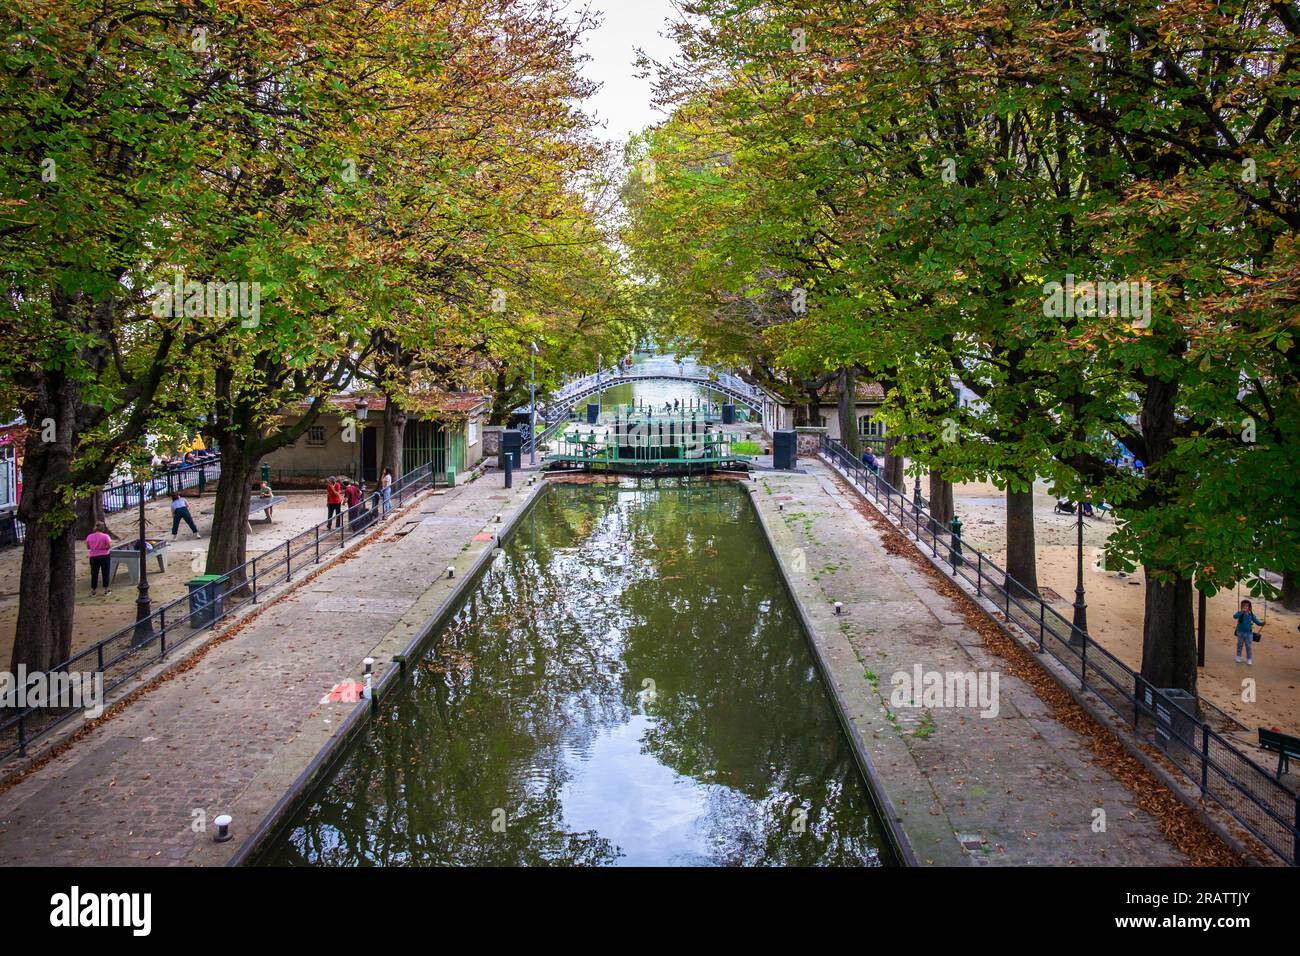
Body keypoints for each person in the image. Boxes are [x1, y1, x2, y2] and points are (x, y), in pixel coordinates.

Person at [1233, 599, 1264, 665]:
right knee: (1239, 645)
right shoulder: (1240, 613)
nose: (1245, 607)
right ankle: (1238, 656)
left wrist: (1261, 623)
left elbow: (1257, 621)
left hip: (1249, 633)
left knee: (1248, 646)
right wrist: (1241, 612)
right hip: (1240, 632)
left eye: (1247, 606)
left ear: (1249, 607)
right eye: (1243, 606)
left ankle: (1249, 659)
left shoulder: (1251, 615)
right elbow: (1234, 617)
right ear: (1241, 607)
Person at [87, 522, 113, 596]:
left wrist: (95, 547)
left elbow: (88, 547)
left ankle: (93, 590)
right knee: (105, 572)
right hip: (104, 555)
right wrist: (102, 548)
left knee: (94, 573)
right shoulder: (105, 536)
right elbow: (109, 546)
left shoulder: (89, 536)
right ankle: (106, 589)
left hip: (93, 556)